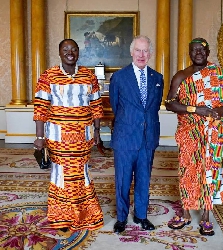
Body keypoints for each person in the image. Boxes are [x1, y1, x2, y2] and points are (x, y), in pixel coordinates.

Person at [165, 37, 223, 236]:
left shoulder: (219, 74)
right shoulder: (181, 76)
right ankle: (185, 213)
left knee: (209, 173)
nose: (198, 53)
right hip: (189, 134)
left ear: (208, 53)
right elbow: (170, 103)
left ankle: (206, 216)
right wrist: (196, 110)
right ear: (189, 53)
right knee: (187, 172)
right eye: (194, 50)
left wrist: (222, 109)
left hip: (213, 136)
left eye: (202, 49)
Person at [33, 38, 104, 232]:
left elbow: (96, 107)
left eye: (73, 49)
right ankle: (62, 218)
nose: (70, 52)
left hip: (83, 137)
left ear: (78, 52)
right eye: (65, 49)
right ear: (59, 52)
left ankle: (84, 214)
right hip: (58, 138)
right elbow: (40, 108)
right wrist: (40, 137)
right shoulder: (48, 76)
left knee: (82, 173)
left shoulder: (89, 76)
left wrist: (97, 131)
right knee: (61, 175)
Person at [109, 35, 164, 233]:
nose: (141, 55)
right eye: (138, 50)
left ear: (150, 54)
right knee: (123, 180)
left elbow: (154, 107)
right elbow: (116, 106)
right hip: (125, 137)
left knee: (144, 179)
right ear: (131, 52)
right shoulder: (119, 77)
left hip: (147, 137)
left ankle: (141, 215)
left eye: (145, 51)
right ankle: (122, 218)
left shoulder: (157, 78)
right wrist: (130, 123)